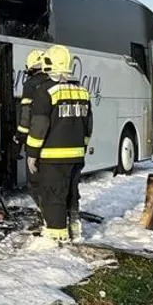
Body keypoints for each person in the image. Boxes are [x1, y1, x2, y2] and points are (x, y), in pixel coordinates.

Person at [24, 44, 93, 244]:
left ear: (48, 63)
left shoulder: (45, 91)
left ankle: (57, 237)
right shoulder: (82, 91)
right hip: (76, 156)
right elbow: (88, 126)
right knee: (72, 194)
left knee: (53, 196)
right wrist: (82, 147)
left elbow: (39, 126)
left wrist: (32, 153)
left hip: (52, 158)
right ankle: (74, 229)